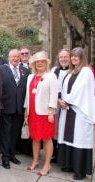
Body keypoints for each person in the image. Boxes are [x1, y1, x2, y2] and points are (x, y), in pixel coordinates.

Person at [57, 47, 95, 180]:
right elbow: (62, 88)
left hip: (79, 111)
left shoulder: (86, 71)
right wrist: (60, 99)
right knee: (67, 137)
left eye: (76, 56)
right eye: (72, 56)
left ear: (82, 57)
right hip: (67, 109)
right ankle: (69, 164)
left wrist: (65, 101)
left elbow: (80, 90)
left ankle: (80, 170)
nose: (73, 58)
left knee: (78, 138)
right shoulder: (71, 71)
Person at [24, 51, 58, 176]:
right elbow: (28, 95)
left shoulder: (51, 76)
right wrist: (26, 110)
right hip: (32, 112)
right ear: (34, 64)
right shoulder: (30, 77)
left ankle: (47, 164)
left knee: (47, 138)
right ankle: (35, 160)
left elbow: (54, 96)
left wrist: (51, 112)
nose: (40, 63)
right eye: (37, 62)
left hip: (45, 113)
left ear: (46, 63)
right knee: (35, 138)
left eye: (42, 61)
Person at [0, 49, 30, 169]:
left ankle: (12, 154)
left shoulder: (25, 71)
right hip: (5, 108)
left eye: (17, 57)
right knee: (5, 134)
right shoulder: (1, 70)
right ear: (9, 58)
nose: (15, 59)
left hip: (19, 109)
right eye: (13, 57)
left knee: (15, 133)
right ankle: (5, 157)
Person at [50, 48, 70, 163]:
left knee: (65, 128)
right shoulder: (54, 70)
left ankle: (64, 156)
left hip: (67, 104)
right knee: (55, 129)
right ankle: (54, 154)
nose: (63, 59)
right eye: (61, 57)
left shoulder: (73, 71)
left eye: (65, 57)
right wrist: (57, 99)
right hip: (56, 103)